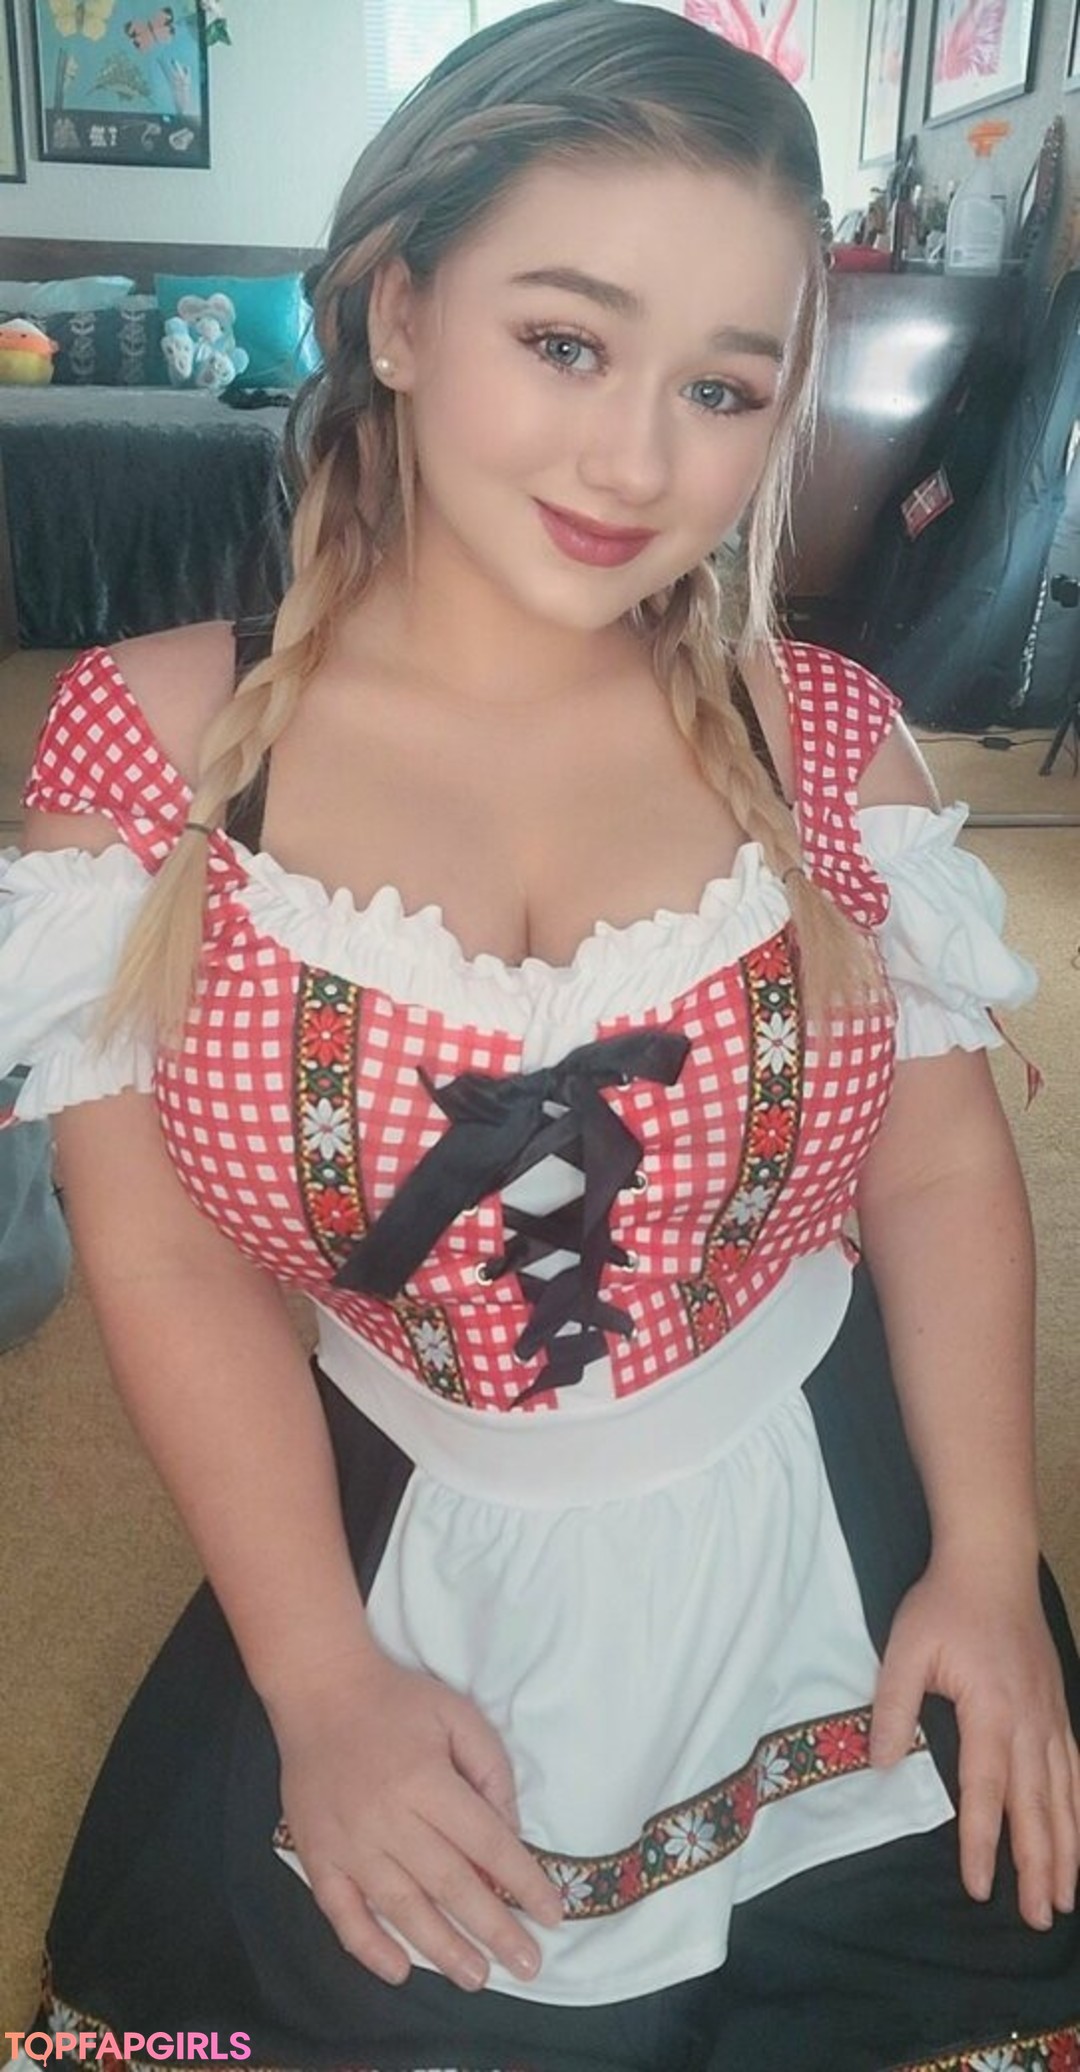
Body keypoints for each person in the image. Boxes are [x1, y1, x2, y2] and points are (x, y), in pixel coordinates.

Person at [2, 4, 1078, 2066]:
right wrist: (318, 1681)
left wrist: (992, 1557)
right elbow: (160, 1254)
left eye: (722, 387)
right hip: (389, 1520)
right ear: (399, 309)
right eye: (567, 341)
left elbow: (941, 1170)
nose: (635, 462)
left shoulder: (832, 743)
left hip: (832, 1502)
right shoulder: (147, 754)